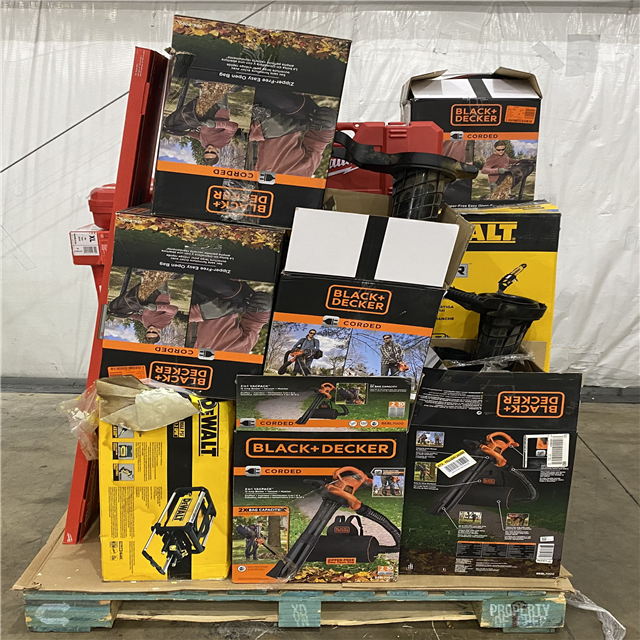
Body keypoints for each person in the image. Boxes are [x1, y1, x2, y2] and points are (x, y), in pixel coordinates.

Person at [249, 87, 338, 178]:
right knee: (286, 102)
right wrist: (329, 124)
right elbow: (319, 140)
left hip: (251, 113)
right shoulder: (302, 176)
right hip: (288, 109)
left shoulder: (242, 182)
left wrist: (255, 130)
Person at [188, 275, 273, 354]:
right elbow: (255, 320)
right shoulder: (240, 353)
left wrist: (196, 313)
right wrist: (265, 307)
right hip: (226, 287)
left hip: (190, 290)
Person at [163, 82, 240, 165]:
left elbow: (198, 136)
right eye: (212, 152)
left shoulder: (204, 144)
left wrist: (182, 133)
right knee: (220, 83)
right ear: (217, 153)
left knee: (204, 83)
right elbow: (233, 127)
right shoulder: (222, 142)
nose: (209, 150)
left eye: (206, 152)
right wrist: (215, 124)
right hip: (219, 109)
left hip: (203, 109)